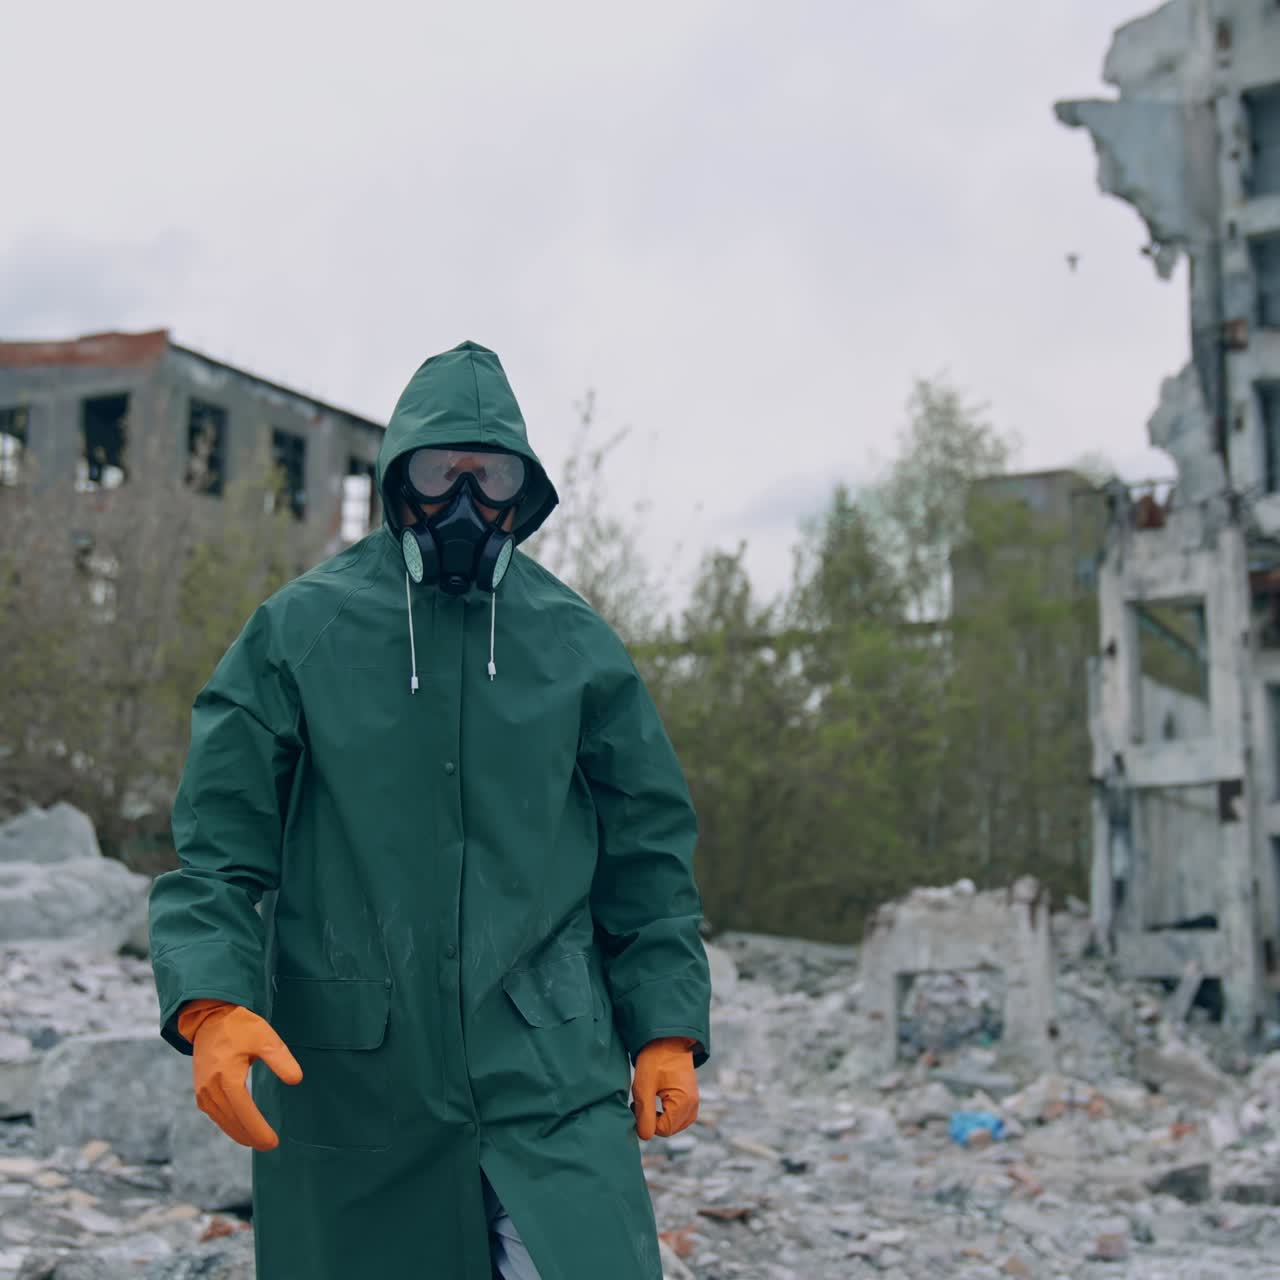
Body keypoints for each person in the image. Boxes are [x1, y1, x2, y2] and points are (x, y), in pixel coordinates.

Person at [148, 340, 712, 1280]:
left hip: (549, 1074)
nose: (463, 502)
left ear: (524, 491)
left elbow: (648, 858)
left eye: (488, 475)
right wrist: (212, 1003)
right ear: (393, 477)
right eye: (436, 472)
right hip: (359, 1081)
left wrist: (666, 1027)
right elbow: (218, 849)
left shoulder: (578, 648)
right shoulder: (299, 631)